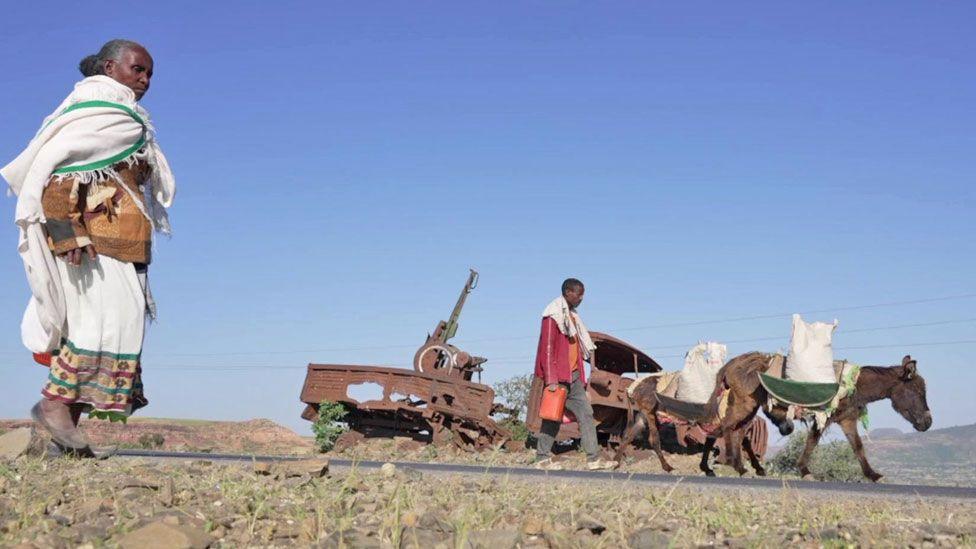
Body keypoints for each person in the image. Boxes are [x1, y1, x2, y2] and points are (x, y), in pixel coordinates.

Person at [2, 39, 176, 454]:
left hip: (122, 247)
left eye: (150, 73)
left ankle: (64, 435)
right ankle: (54, 406)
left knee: (116, 328)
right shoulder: (99, 115)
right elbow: (56, 175)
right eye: (137, 69)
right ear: (109, 67)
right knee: (97, 328)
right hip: (89, 244)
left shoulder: (125, 118)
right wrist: (64, 232)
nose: (145, 79)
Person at [532, 278, 617, 470]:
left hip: (574, 375)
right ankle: (542, 458)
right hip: (558, 376)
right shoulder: (552, 315)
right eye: (579, 294)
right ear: (568, 292)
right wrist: (551, 380)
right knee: (553, 416)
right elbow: (546, 348)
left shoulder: (572, 317)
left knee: (586, 414)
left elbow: (577, 350)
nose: (581, 298)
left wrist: (583, 378)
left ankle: (593, 459)